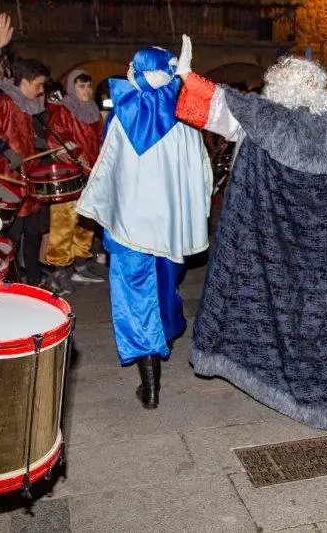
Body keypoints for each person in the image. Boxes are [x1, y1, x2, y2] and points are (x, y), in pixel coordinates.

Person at [179, 43, 327, 429]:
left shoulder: (260, 117)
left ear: (277, 85)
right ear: (318, 87)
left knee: (278, 311)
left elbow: (212, 104)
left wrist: (186, 75)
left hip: (276, 250)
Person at [77, 40, 211, 410]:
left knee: (136, 299)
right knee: (164, 287)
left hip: (130, 228)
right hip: (169, 230)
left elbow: (107, 168)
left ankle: (150, 384)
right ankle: (163, 344)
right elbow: (201, 174)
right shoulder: (184, 116)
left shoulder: (123, 113)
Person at [0, 57, 48, 286]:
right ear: (25, 81)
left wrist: (39, 143)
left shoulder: (27, 105)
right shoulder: (2, 103)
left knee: (33, 233)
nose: (41, 90)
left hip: (29, 179)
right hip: (8, 181)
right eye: (38, 84)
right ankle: (8, 282)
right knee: (11, 237)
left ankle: (34, 280)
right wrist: (4, 150)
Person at [44, 70, 104, 285]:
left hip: (91, 173)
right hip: (70, 174)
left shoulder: (94, 110)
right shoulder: (64, 110)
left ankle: (80, 263)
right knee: (64, 220)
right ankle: (60, 271)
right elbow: (55, 138)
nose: (86, 91)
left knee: (86, 220)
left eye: (89, 86)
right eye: (81, 86)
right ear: (72, 87)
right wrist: (74, 153)